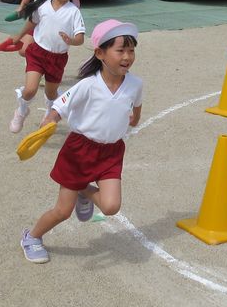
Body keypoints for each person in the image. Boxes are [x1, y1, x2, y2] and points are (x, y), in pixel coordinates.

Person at [20, 19, 143, 264]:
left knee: (110, 206)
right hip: (79, 151)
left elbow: (135, 113)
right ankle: (31, 237)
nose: (127, 56)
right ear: (100, 53)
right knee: (62, 211)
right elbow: (59, 106)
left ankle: (84, 191)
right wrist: (50, 120)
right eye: (120, 50)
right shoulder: (87, 85)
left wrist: (133, 119)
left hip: (111, 152)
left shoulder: (136, 84)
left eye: (131, 50)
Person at [9, 0, 85, 134]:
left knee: (51, 94)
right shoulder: (42, 6)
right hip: (37, 53)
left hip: (57, 58)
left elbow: (80, 39)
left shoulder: (74, 13)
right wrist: (19, 35)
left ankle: (50, 113)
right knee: (30, 90)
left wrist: (70, 40)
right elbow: (32, 22)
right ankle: (21, 110)